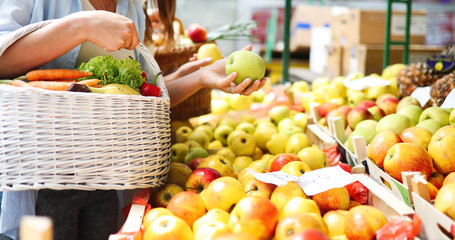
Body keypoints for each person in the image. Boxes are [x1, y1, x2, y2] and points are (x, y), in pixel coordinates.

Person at [0, 0, 266, 239]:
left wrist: (200, 78)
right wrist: (81, 26)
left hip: (108, 181)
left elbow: (139, 103)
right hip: (41, 176)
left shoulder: (132, 8)